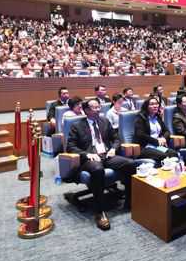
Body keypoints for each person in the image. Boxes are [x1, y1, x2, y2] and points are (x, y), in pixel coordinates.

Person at [67, 98, 137, 231]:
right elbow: (70, 147)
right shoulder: (77, 126)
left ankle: (130, 200)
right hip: (90, 158)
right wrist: (87, 154)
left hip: (106, 154)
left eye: (99, 107)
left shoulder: (104, 121)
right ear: (86, 110)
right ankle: (100, 211)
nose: (98, 109)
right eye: (94, 108)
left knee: (130, 164)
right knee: (98, 169)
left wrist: (113, 149)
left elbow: (116, 138)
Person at [133, 96, 179, 164]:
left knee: (173, 153)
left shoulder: (157, 117)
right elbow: (140, 135)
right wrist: (156, 141)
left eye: (156, 104)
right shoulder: (141, 118)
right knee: (163, 156)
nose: (155, 106)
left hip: (157, 146)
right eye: (152, 104)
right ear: (146, 106)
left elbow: (166, 131)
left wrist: (164, 138)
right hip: (145, 147)